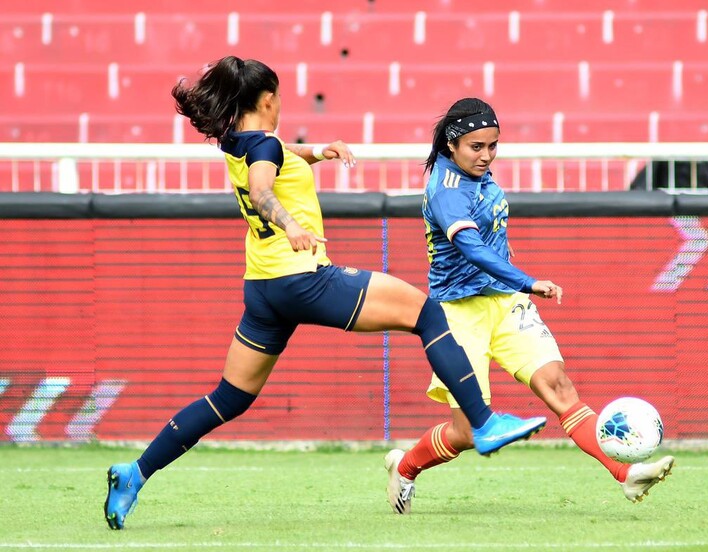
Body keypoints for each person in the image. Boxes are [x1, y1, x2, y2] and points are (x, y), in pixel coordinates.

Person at [103, 59, 547, 530]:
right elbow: (261, 189)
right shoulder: (264, 146)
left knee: (228, 398)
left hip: (263, 290)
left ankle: (134, 473)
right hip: (304, 279)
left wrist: (318, 151)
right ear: (268, 99)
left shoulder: (238, 139)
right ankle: (482, 421)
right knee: (428, 313)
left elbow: (275, 154)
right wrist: (291, 224)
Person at [383, 97, 675, 515]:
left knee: (559, 386)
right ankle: (405, 467)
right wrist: (527, 280)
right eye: (476, 147)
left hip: (505, 303)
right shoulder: (445, 191)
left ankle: (625, 474)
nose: (486, 156)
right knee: (466, 433)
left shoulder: (479, 176)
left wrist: (512, 279)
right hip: (458, 314)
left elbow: (490, 233)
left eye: (493, 146)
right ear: (452, 145)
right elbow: (468, 246)